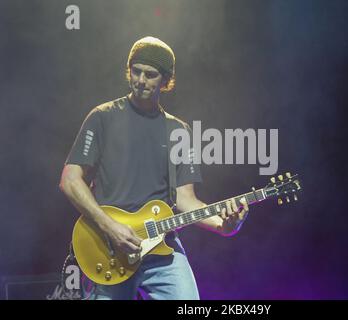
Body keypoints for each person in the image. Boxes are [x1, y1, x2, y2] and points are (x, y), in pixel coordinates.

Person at [59, 36, 249, 300]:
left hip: (162, 246)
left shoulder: (178, 131)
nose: (140, 80)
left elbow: (185, 200)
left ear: (166, 81)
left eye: (150, 75)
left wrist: (223, 226)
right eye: (135, 71)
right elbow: (70, 179)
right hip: (109, 247)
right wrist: (108, 226)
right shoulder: (102, 117)